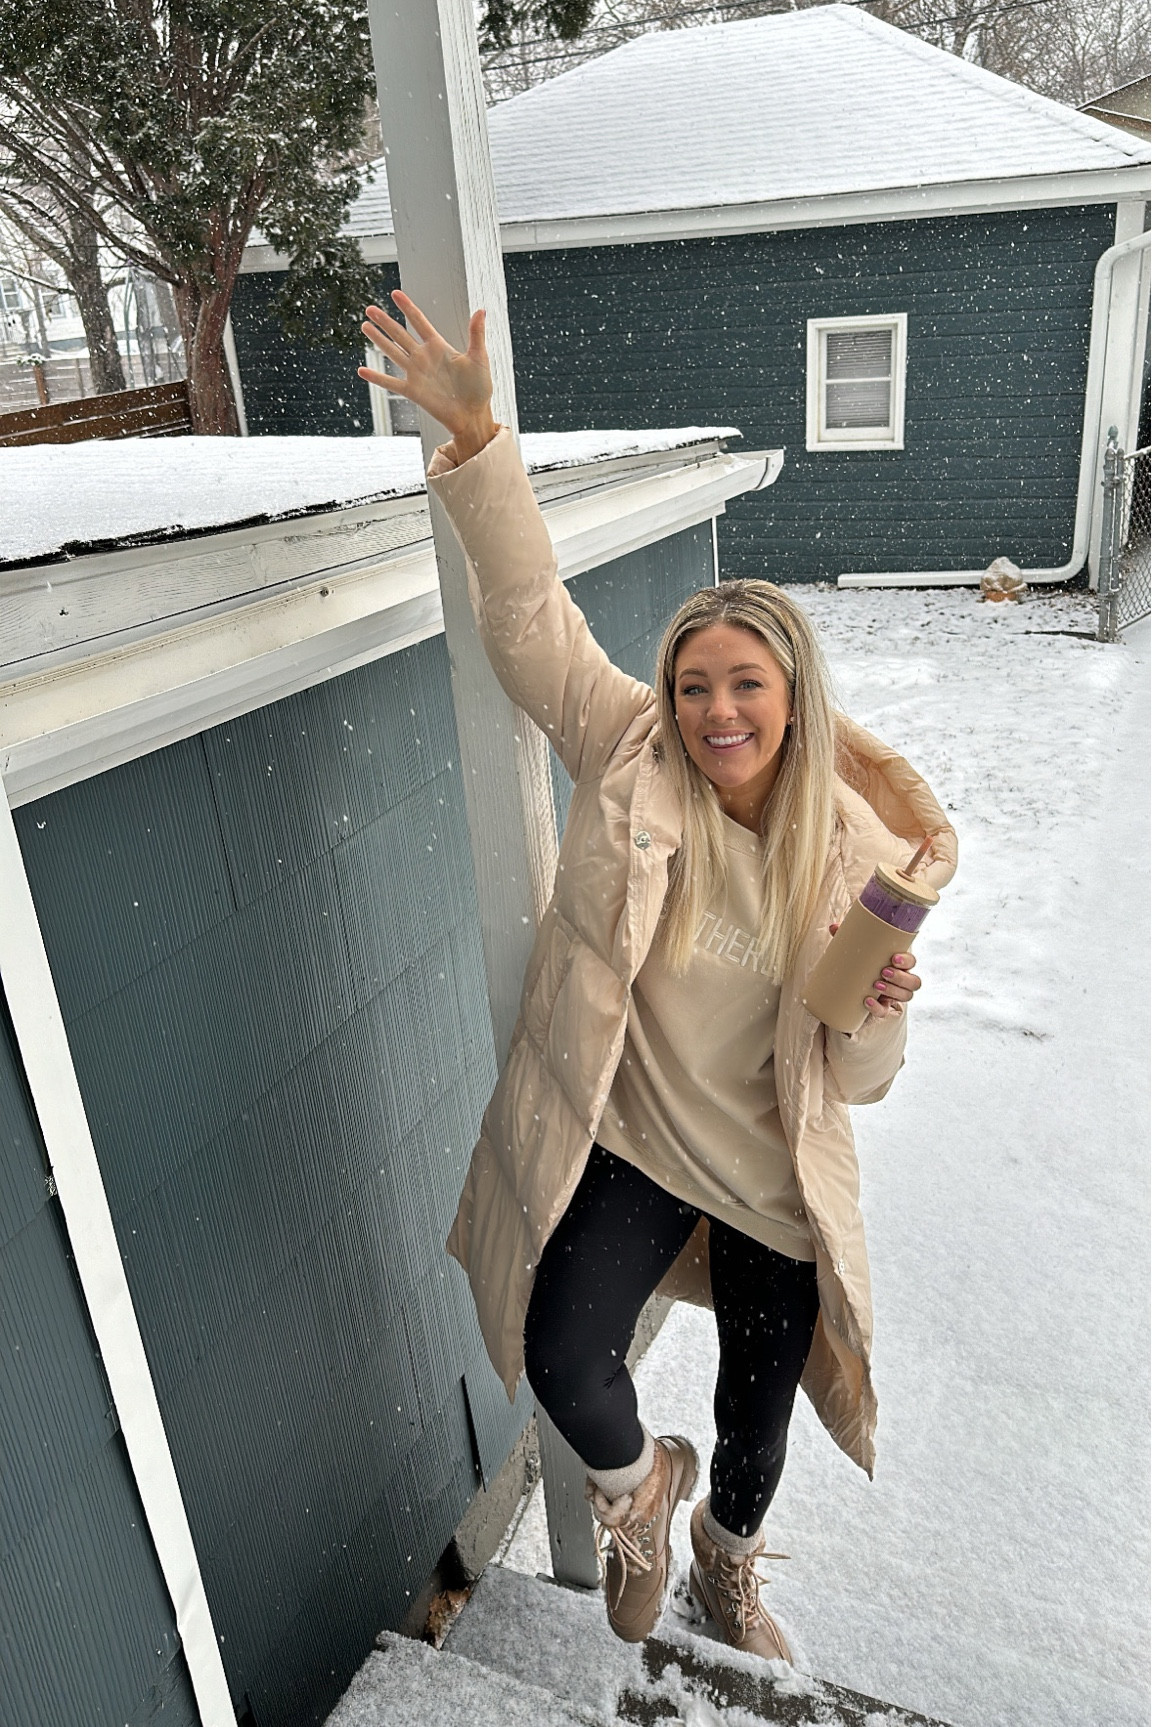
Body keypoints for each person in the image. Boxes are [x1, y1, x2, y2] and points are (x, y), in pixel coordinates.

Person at [359, 293, 957, 1663]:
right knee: (562, 1351)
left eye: (745, 685)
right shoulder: (629, 751)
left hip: (773, 1182)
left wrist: (879, 1015)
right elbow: (527, 620)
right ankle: (640, 1495)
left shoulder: (853, 850)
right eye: (695, 684)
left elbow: (856, 1078)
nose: (716, 713)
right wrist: (474, 441)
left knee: (759, 1421)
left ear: (794, 697)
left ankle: (725, 1565)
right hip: (634, 1140)